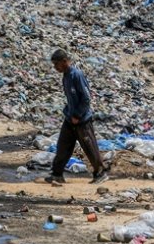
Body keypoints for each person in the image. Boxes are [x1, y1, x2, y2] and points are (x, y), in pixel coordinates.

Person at [45, 48, 109, 185]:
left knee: (89, 147)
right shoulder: (66, 76)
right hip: (70, 118)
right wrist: (70, 114)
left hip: (82, 120)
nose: (55, 67)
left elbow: (86, 98)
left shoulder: (76, 75)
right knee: (63, 146)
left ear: (64, 61)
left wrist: (78, 115)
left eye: (56, 64)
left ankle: (100, 172)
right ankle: (57, 174)